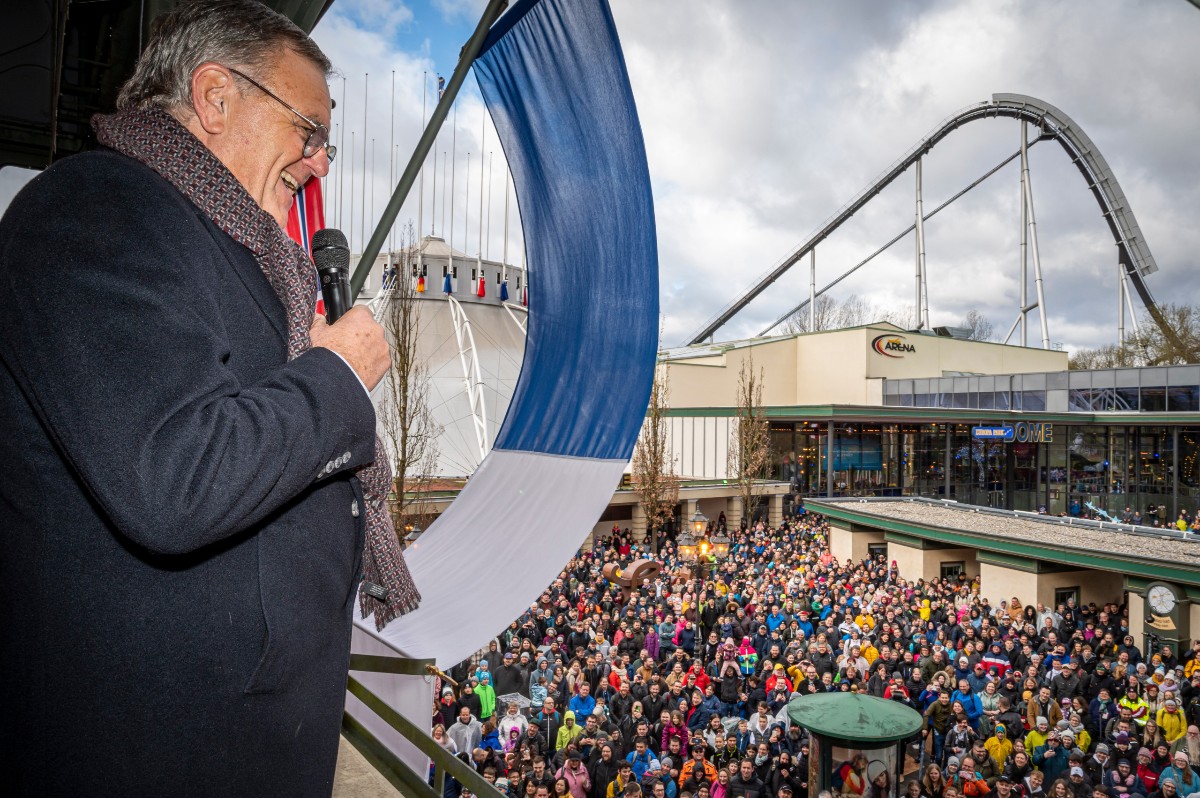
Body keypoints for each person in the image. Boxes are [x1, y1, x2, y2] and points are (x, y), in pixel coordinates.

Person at [0, 0, 421, 793]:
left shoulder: (237, 251)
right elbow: (175, 476)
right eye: (310, 130)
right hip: (153, 752)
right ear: (216, 96)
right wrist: (338, 376)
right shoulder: (93, 211)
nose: (321, 163)